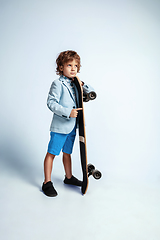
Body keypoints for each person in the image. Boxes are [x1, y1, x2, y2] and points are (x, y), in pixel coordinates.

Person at [42, 50, 91, 197]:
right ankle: (47, 182)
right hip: (60, 126)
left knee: (67, 153)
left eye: (76, 65)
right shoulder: (57, 84)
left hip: (74, 127)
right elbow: (51, 103)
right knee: (52, 153)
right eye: (69, 65)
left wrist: (82, 84)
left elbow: (91, 91)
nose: (73, 68)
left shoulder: (76, 83)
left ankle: (68, 177)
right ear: (61, 67)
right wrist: (67, 111)